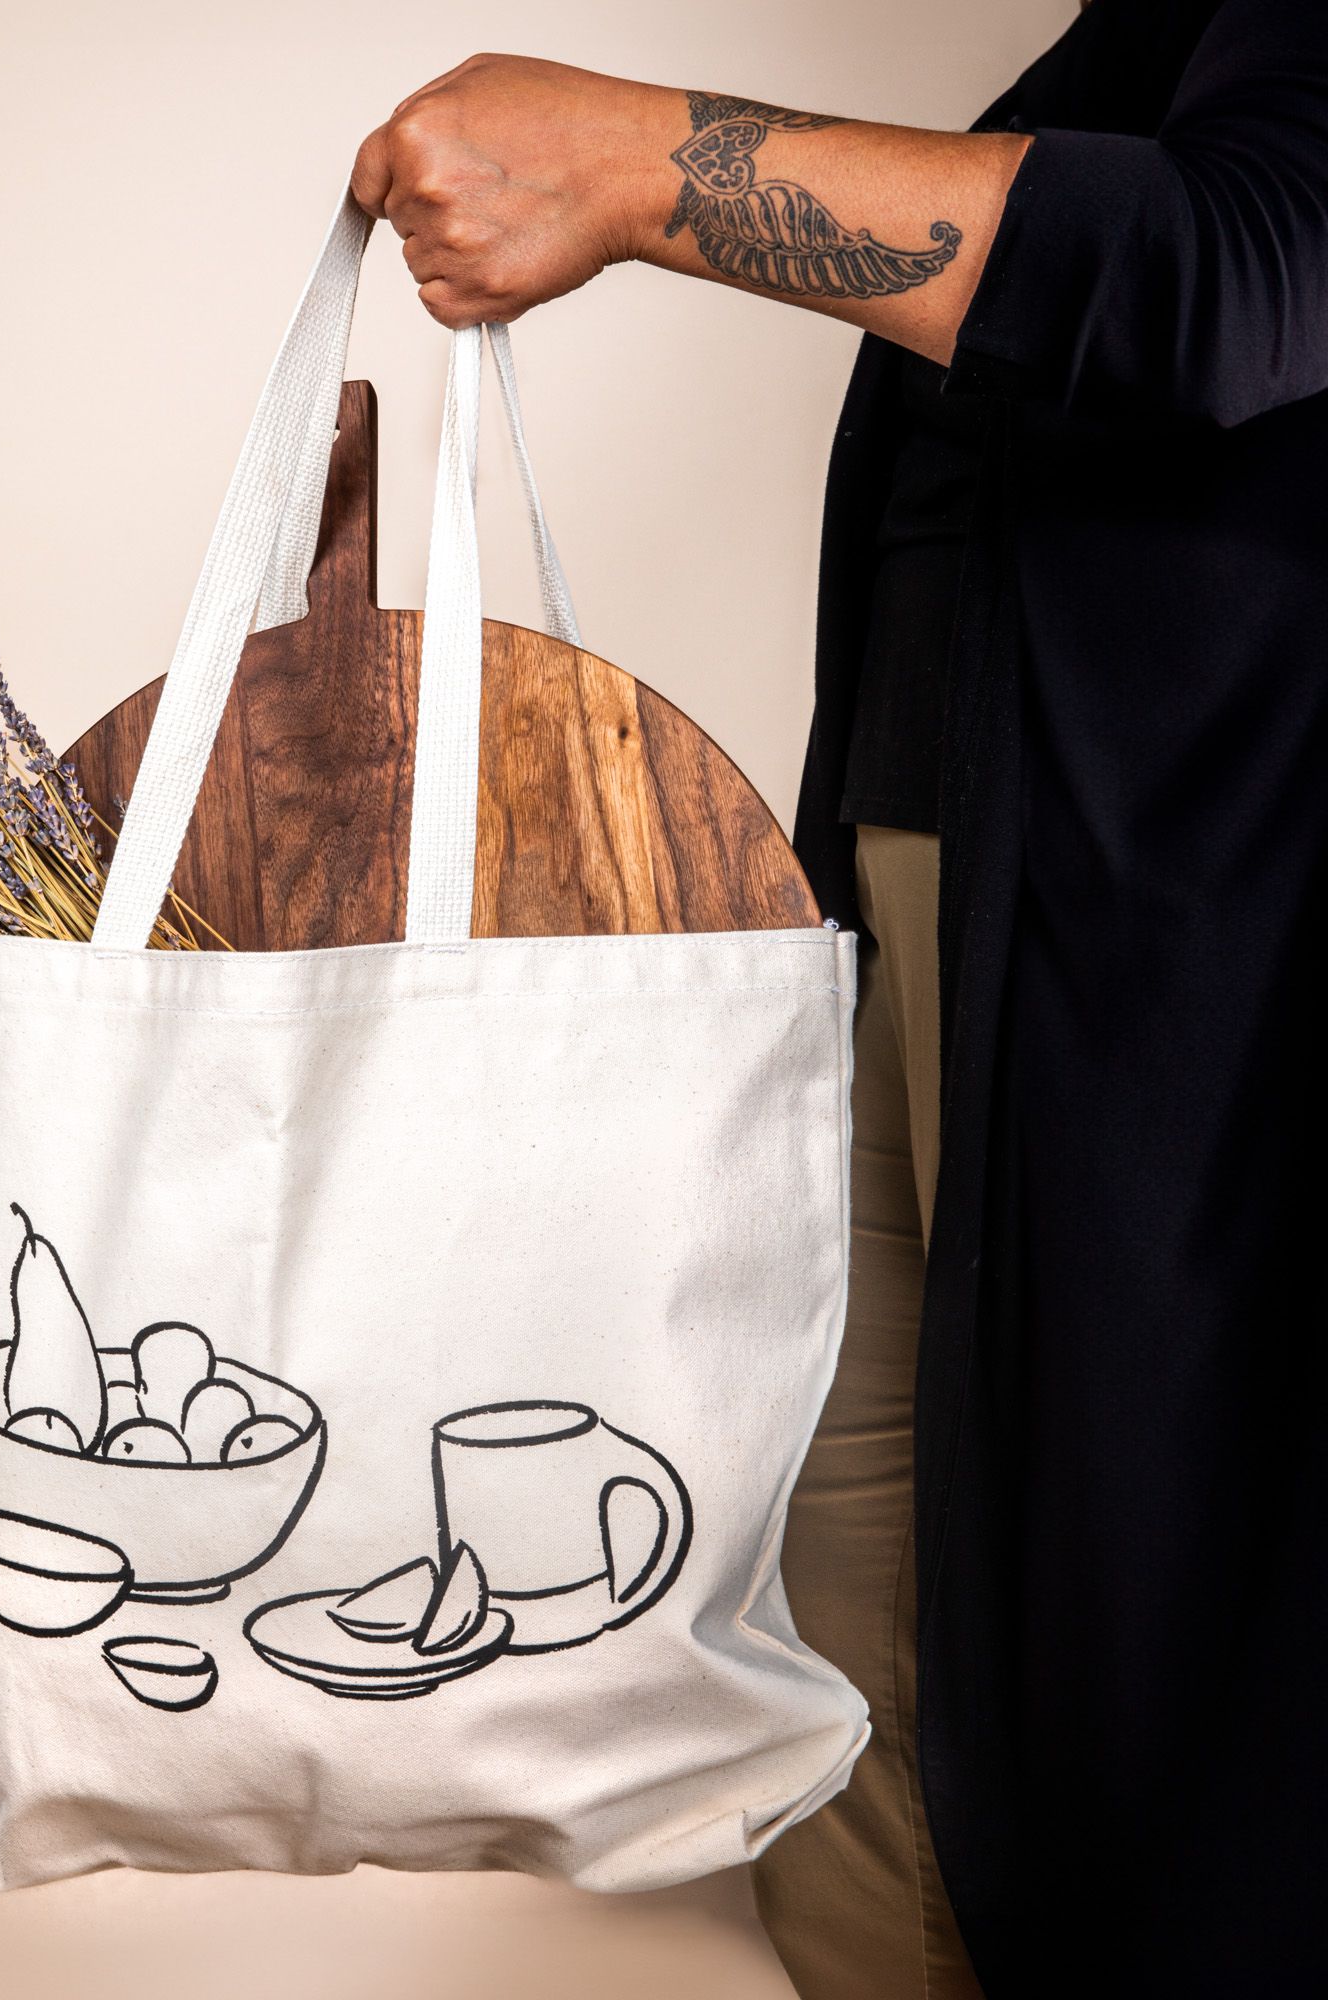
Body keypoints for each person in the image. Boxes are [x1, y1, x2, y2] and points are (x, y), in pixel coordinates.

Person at [352, 9, 1328, 1994]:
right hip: (929, 906)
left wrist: (640, 166)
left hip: (1151, 1000)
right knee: (841, 1681)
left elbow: (1229, 281)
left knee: (1113, 1716)